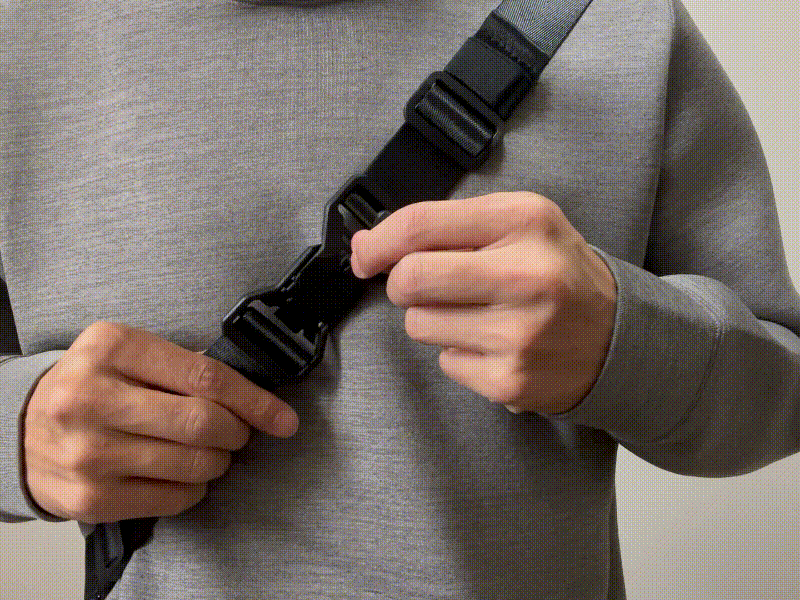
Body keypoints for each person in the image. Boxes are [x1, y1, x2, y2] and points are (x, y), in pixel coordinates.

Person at [1, 0, 798, 599]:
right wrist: (19, 433)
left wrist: (626, 338)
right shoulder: (18, 36)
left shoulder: (612, 19)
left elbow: (787, 391)